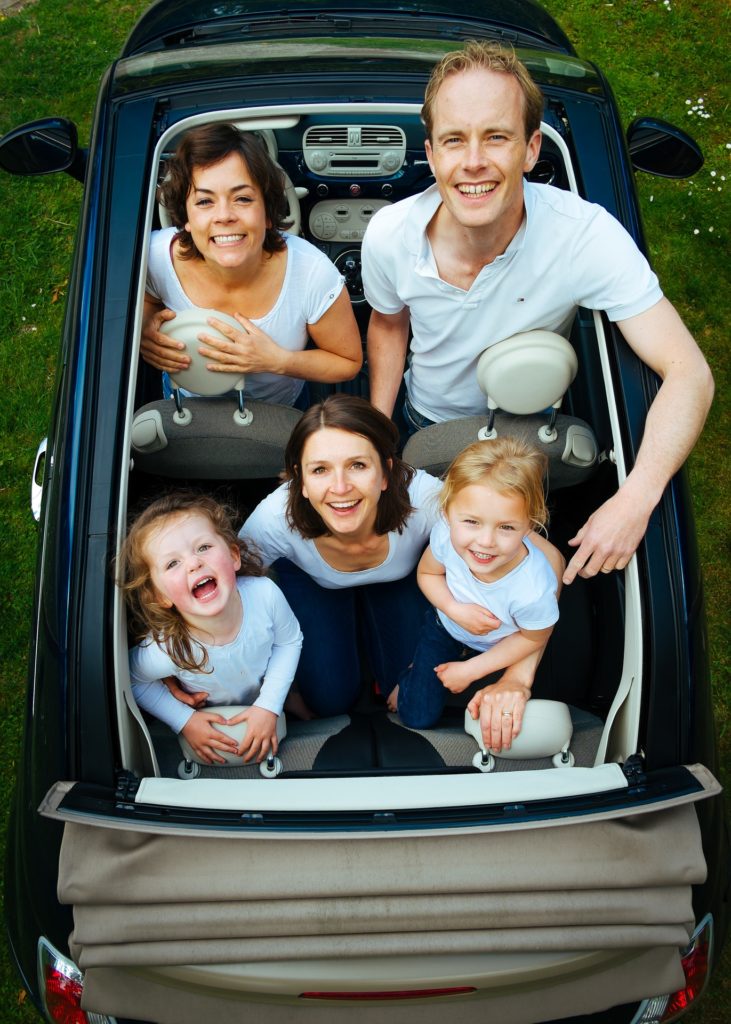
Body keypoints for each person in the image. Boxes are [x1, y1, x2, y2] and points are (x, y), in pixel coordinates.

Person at [361, 41, 714, 586]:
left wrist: (635, 499)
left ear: (530, 149)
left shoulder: (584, 236)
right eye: (455, 140)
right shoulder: (388, 235)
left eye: (496, 137)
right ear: (431, 155)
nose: (473, 161)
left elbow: (690, 373)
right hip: (423, 419)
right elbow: (387, 323)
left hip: (526, 436)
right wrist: (381, 431)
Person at [241, 394, 563, 735]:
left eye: (358, 465)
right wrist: (271, 687)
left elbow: (551, 559)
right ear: (300, 481)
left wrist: (518, 677)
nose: (340, 487)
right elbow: (236, 593)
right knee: (328, 700)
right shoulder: (275, 519)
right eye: (320, 469)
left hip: (401, 578)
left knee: (406, 686)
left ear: (385, 473)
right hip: (313, 582)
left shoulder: (424, 498)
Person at [141, 122, 362, 406]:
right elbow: (145, 301)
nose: (224, 215)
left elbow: (347, 361)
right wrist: (146, 330)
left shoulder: (310, 274)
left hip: (280, 411)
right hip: (184, 403)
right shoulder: (156, 258)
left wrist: (277, 361)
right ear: (185, 216)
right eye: (205, 201)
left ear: (268, 212)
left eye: (242, 198)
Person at [397, 438, 558, 752]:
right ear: (446, 513)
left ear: (529, 526)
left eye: (506, 528)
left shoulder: (534, 588)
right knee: (415, 715)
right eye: (471, 522)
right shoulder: (445, 535)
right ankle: (411, 676)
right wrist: (453, 610)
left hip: (502, 645)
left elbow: (533, 638)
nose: (485, 542)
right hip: (445, 626)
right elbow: (428, 573)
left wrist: (473, 670)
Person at [119, 492, 303, 765]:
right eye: (173, 563)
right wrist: (184, 720)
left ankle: (289, 699)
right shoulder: (167, 647)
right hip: (214, 714)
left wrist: (269, 704)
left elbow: (289, 642)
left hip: (265, 691)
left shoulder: (265, 595)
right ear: (159, 596)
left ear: (233, 556)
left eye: (203, 547)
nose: (194, 563)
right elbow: (131, 679)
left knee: (304, 707)